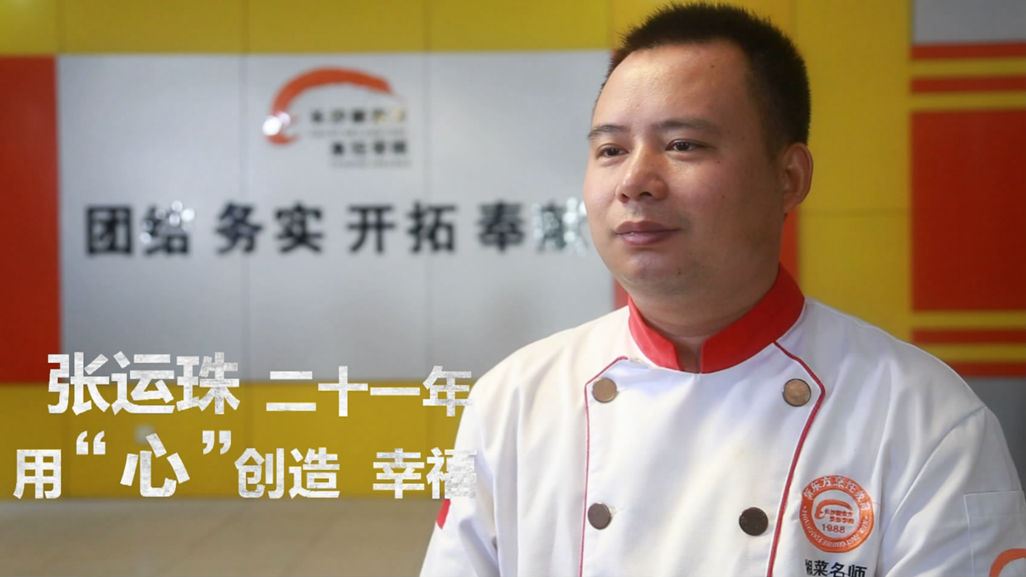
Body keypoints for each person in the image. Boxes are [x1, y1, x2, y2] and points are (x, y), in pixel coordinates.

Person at [419, 3, 1026, 576]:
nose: (634, 181)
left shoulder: (925, 421)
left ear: (788, 177)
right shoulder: (510, 401)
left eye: (682, 144)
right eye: (610, 149)